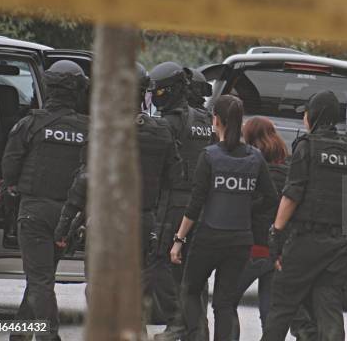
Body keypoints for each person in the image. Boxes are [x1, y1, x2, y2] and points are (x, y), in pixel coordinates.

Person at [53, 63, 183, 323]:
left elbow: (84, 180)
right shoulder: (161, 131)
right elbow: (174, 180)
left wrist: (65, 224)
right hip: (143, 222)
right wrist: (160, 225)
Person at [261, 90, 347, 341]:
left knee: (282, 309)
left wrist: (276, 232)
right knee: (329, 311)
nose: (304, 119)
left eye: (306, 114)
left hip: (304, 243)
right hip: (337, 246)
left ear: (315, 116)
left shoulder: (306, 148)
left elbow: (292, 195)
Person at [170, 95, 278, 341]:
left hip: (208, 236)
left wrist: (179, 239)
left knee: (189, 290)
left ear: (216, 120)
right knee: (224, 304)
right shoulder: (255, 157)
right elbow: (271, 197)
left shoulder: (209, 156)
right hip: (240, 240)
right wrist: (245, 207)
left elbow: (195, 203)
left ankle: (197, 336)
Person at [2, 60, 89, 341]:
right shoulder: (89, 130)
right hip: (69, 216)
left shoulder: (30, 124)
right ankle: (19, 335)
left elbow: (9, 168)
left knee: (39, 280)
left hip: (35, 213)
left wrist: (11, 189)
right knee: (41, 278)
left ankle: (48, 336)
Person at [148, 61, 213, 341]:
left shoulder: (169, 122)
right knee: (193, 271)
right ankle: (197, 331)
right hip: (202, 204)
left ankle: (178, 323)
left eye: (159, 91)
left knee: (161, 260)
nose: (155, 97)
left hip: (173, 203)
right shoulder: (205, 119)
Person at [231, 116, 289, 340]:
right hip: (276, 252)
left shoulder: (249, 166)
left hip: (251, 247)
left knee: (225, 302)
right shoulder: (288, 168)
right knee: (269, 313)